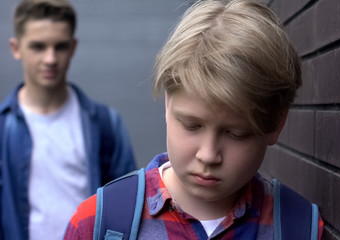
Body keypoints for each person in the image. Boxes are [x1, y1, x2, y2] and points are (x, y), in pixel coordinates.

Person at [64, 0, 323, 239]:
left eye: (235, 133)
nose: (208, 155)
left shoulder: (299, 228)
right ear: (167, 104)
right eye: (192, 125)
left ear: (276, 124)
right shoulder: (99, 221)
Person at [0, 0, 136, 239]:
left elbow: (129, 207)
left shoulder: (105, 124)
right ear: (15, 48)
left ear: (73, 47)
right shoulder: (3, 128)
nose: (50, 59)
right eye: (38, 47)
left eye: (60, 47)